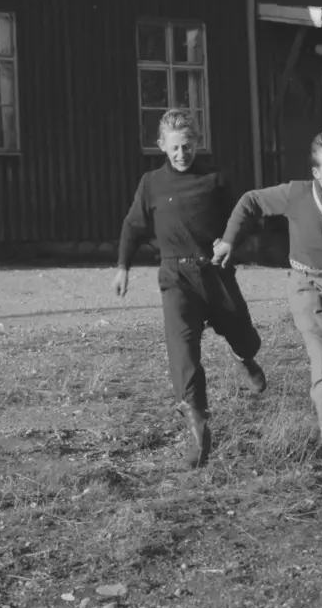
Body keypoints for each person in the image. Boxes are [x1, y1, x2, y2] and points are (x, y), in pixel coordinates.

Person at [213, 127, 322, 479]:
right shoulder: (297, 194)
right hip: (306, 285)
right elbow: (250, 200)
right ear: (317, 172)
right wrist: (230, 240)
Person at [114, 109, 267, 470]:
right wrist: (122, 268)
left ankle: (246, 359)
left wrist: (230, 241)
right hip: (175, 278)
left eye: (187, 146)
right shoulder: (151, 183)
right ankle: (198, 429)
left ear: (197, 143)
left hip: (215, 272)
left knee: (241, 333)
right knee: (182, 353)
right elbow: (133, 226)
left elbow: (244, 220)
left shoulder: (214, 179)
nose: (181, 154)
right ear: (161, 146)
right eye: (174, 147)